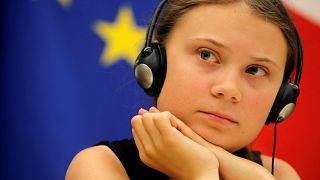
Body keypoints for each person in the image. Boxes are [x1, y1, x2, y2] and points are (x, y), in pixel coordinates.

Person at [66, 0, 303, 179]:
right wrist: (200, 174)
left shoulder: (281, 174)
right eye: (206, 54)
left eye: (255, 70)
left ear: (280, 100)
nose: (229, 89)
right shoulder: (100, 167)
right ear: (157, 63)